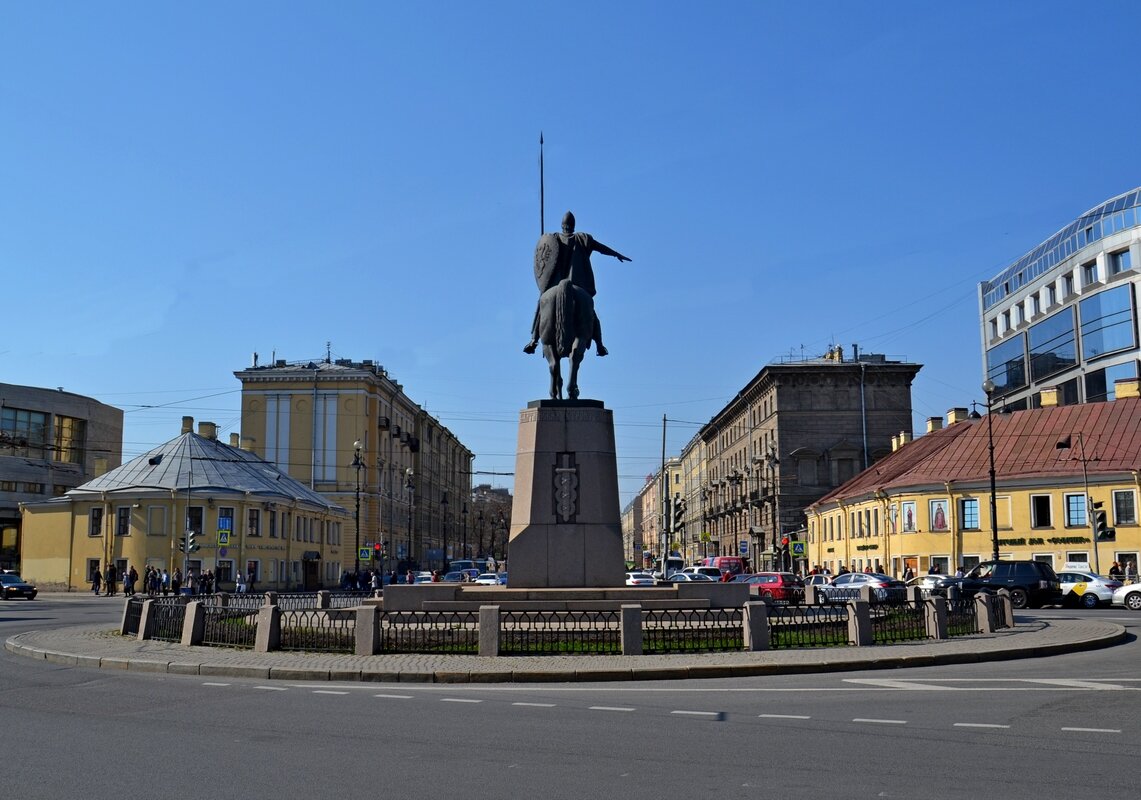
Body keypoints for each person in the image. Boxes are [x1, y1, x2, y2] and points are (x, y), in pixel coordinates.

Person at [524, 211, 630, 357]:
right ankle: (600, 345)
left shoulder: (553, 238)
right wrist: (616, 254)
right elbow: (601, 248)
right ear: (573, 226)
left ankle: (533, 341)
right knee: (591, 313)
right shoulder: (582, 238)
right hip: (578, 283)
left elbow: (544, 257)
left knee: (542, 306)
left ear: (562, 226)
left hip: (555, 283)